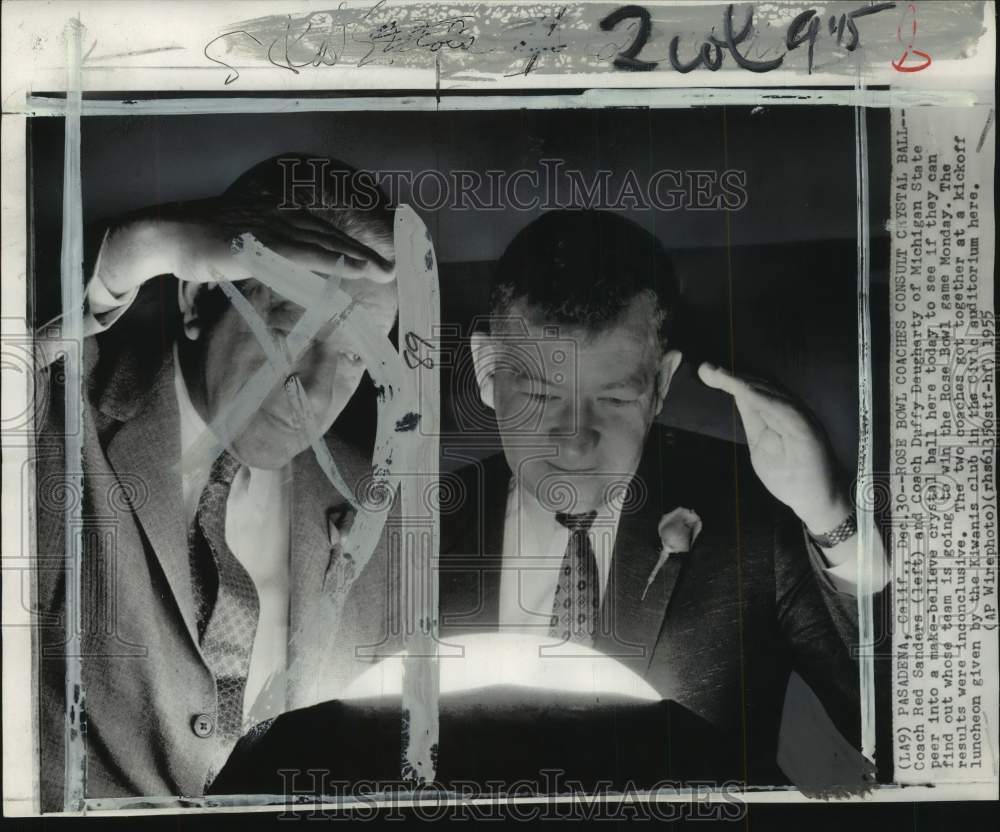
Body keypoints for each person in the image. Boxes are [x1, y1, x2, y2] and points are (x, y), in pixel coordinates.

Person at [439, 209, 888, 784]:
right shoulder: (410, 521)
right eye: (540, 395)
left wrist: (827, 515)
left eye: (615, 400)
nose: (575, 443)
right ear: (485, 368)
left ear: (662, 385)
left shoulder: (754, 507)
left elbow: (915, 735)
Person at [35, 155, 399, 807]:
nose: (312, 394)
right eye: (290, 336)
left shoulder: (369, 495)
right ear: (201, 297)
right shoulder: (58, 411)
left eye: (355, 357)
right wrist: (134, 250)